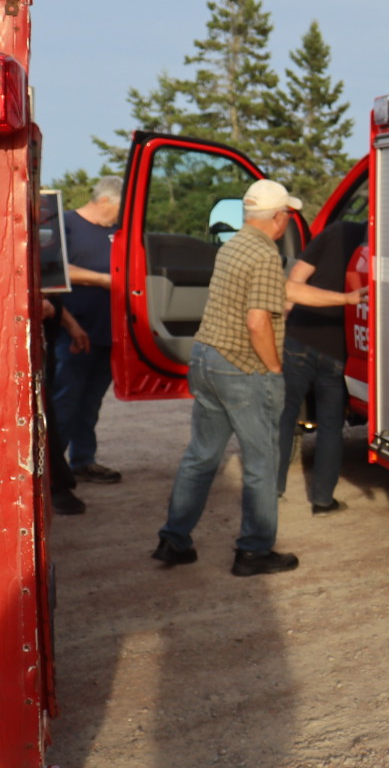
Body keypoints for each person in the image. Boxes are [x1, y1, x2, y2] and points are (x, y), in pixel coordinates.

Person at [153, 180, 362, 577]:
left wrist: (347, 300)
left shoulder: (234, 246)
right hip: (242, 368)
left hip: (206, 359)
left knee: (200, 456)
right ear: (279, 219)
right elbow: (257, 321)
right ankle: (254, 550)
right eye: (287, 214)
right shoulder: (265, 255)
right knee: (262, 462)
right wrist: (274, 369)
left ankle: (173, 539)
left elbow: (287, 290)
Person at [277, 220, 366, 514]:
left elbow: (296, 280)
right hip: (339, 349)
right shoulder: (382, 244)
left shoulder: (338, 230)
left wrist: (284, 325)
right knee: (330, 426)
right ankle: (322, 499)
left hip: (301, 338)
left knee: (284, 417)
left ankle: (271, 491)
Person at [53, 176, 123, 485]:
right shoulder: (64, 224)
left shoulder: (119, 233)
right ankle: (53, 468)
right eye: (123, 204)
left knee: (90, 401)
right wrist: (106, 280)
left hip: (108, 333)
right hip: (72, 331)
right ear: (106, 201)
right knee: (64, 401)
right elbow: (55, 269)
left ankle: (83, 460)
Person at [42, 297, 90, 515]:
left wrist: (70, 324)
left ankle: (54, 482)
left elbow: (50, 290)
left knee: (44, 411)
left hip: (37, 342)